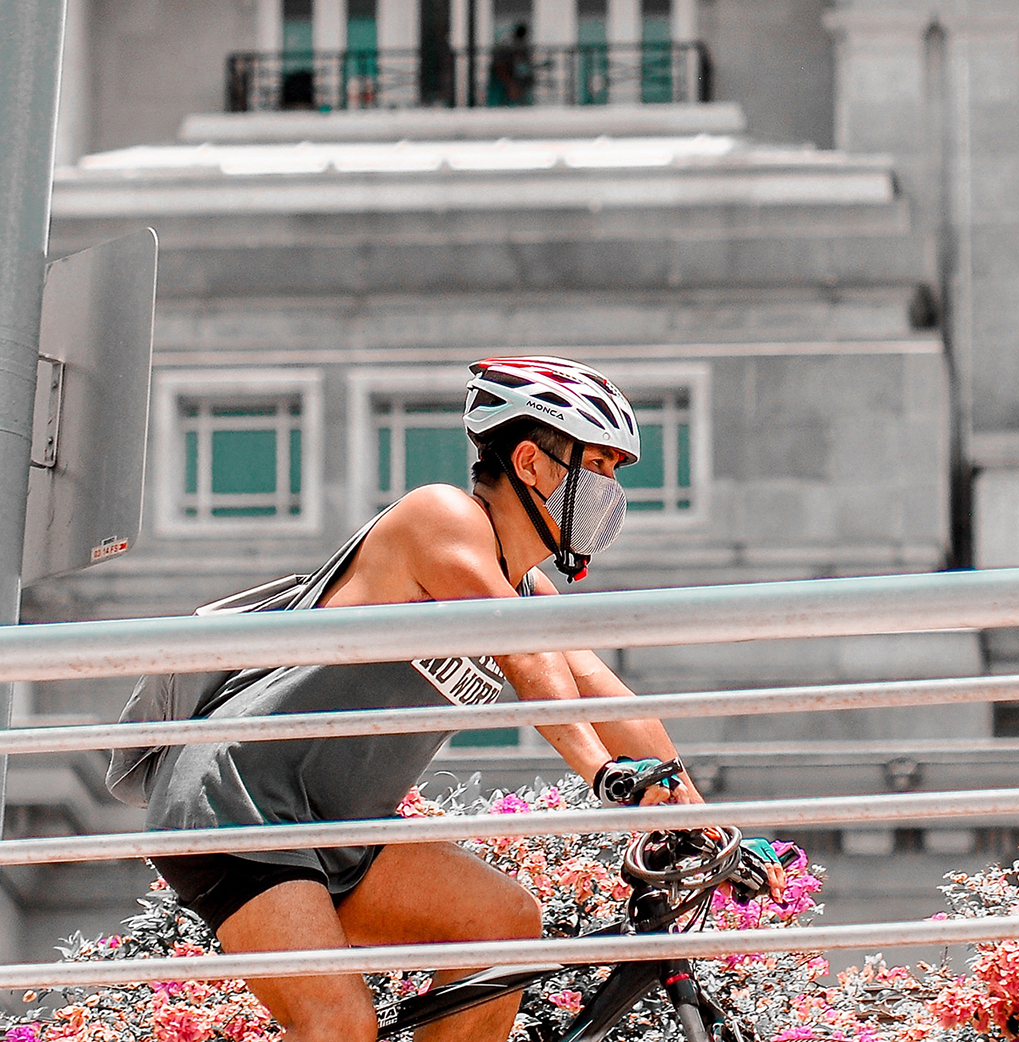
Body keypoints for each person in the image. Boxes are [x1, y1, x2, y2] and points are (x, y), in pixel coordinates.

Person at [143, 356, 705, 1042]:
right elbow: (524, 653)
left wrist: (703, 822)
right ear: (532, 462)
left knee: (500, 929)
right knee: (337, 1024)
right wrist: (602, 773)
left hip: (337, 828)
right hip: (239, 800)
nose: (612, 492)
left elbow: (614, 702)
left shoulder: (529, 592)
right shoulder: (439, 517)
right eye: (602, 468)